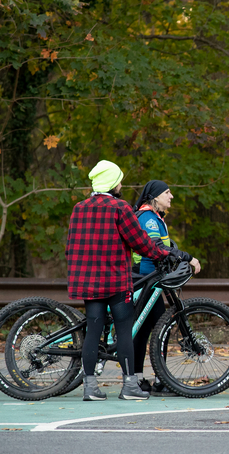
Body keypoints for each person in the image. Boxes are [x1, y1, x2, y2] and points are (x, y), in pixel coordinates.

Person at [67, 160, 172, 401]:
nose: (121, 184)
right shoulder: (120, 208)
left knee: (93, 330)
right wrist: (165, 254)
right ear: (113, 183)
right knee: (124, 330)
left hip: (88, 281)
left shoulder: (79, 208)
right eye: (119, 180)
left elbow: (71, 246)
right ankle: (129, 386)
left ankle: (90, 388)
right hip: (115, 279)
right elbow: (141, 243)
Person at [130, 180, 201, 394]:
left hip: (146, 279)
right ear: (154, 197)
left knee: (144, 331)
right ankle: (158, 380)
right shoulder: (149, 218)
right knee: (159, 328)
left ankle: (139, 378)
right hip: (145, 279)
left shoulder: (153, 217)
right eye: (167, 193)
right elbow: (156, 247)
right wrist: (187, 258)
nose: (171, 197)